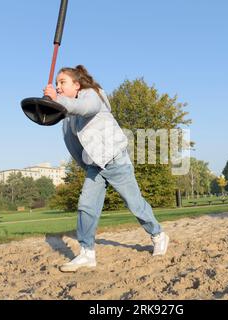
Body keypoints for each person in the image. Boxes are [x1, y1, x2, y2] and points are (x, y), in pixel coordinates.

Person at [44, 65, 169, 272]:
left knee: (135, 203)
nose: (58, 87)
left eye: (62, 82)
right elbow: (72, 144)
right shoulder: (69, 118)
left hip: (115, 160)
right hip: (95, 166)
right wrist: (86, 166)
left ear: (76, 85)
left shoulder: (93, 95)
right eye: (56, 84)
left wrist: (57, 100)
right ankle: (87, 253)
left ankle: (158, 235)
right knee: (86, 207)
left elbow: (84, 108)